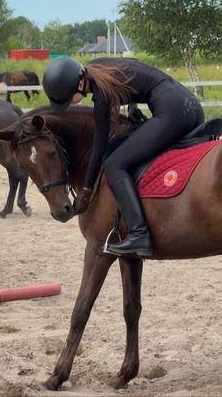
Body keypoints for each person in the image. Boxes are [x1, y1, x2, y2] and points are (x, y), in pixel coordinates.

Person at [42, 56, 205, 257]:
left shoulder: (101, 96)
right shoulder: (101, 66)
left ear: (81, 84)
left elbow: (98, 148)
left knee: (114, 164)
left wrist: (86, 191)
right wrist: (133, 108)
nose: (69, 105)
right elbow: (136, 74)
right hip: (190, 105)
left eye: (68, 99)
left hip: (172, 111)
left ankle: (139, 233)